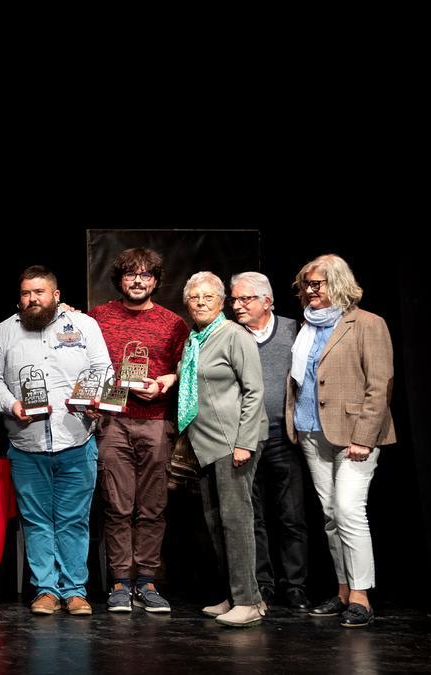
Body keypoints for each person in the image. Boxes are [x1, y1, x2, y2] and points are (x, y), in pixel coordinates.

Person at [0, 265, 110, 617]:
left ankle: (75, 590)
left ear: (55, 295)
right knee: (36, 521)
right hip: (26, 444)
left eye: (39, 292)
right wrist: (11, 403)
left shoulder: (83, 326)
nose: (32, 298)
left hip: (76, 439)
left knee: (73, 519)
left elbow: (102, 368)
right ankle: (46, 590)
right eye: (25, 293)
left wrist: (95, 399)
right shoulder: (5, 331)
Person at [285, 254, 395, 628]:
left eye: (318, 284)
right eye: (307, 284)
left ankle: (362, 595)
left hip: (354, 435)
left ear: (339, 284)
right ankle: (344, 588)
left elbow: (379, 386)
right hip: (312, 431)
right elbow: (300, 380)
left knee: (349, 510)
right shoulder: (306, 327)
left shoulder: (367, 324)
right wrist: (294, 422)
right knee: (331, 515)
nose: (311, 291)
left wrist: (364, 437)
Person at [87, 248, 188, 614]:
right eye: (131, 274)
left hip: (156, 420)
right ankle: (119, 582)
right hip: (112, 420)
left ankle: (146, 581)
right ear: (120, 279)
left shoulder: (172, 323)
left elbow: (184, 369)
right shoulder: (97, 317)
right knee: (116, 505)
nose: (138, 280)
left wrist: (165, 381)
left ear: (156, 281)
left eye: (146, 275)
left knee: (152, 507)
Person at [177, 272, 268, 627]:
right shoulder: (195, 338)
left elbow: (254, 391)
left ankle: (248, 601)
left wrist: (244, 443)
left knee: (237, 522)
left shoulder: (234, 334)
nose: (200, 302)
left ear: (221, 303)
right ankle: (237, 594)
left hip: (233, 444)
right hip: (206, 444)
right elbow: (192, 379)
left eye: (208, 297)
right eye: (194, 297)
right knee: (217, 523)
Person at [229, 271, 310, 612]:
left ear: (267, 300)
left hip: (282, 437)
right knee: (252, 518)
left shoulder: (295, 331)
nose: (237, 306)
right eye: (233, 299)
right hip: (244, 440)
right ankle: (262, 584)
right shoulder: (230, 335)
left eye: (244, 299)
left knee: (291, 517)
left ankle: (295, 587)